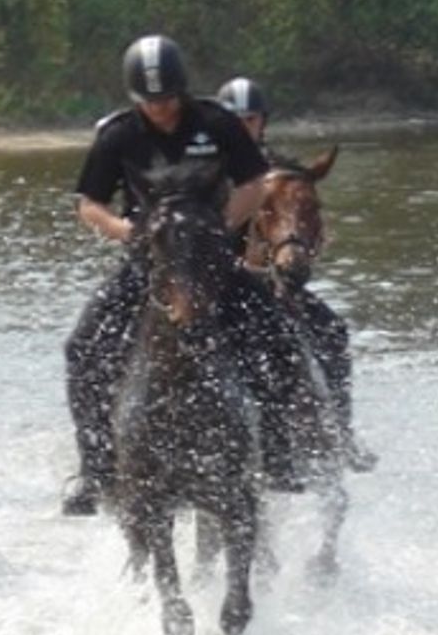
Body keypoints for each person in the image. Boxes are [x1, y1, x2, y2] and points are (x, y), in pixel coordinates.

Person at [62, 36, 317, 516]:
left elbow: (256, 183)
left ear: (182, 89)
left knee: (280, 336)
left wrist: (220, 227)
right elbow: (89, 204)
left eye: (168, 99)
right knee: (82, 348)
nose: (160, 109)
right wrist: (124, 229)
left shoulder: (216, 123)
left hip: (213, 261)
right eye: (150, 102)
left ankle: (279, 453)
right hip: (149, 261)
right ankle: (94, 469)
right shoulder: (119, 134)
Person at [217, 77, 376, 473]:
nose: (243, 127)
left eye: (250, 119)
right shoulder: (205, 170)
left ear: (262, 122)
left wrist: (302, 253)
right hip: (214, 283)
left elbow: (305, 228)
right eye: (234, 119)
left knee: (333, 331)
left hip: (270, 284)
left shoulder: (281, 171)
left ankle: (341, 431)